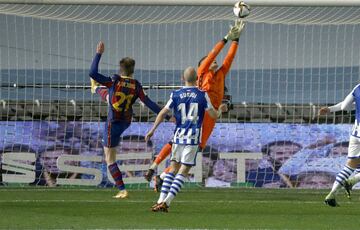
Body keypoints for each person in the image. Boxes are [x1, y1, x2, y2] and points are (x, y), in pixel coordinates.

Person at [144, 19, 245, 184]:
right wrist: (226, 38)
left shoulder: (220, 74)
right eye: (210, 61)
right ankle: (155, 166)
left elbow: (230, 57)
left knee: (198, 147)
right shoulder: (202, 73)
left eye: (214, 61)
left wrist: (236, 40)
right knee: (179, 141)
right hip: (200, 110)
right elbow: (213, 54)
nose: (214, 61)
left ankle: (161, 177)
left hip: (211, 114)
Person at [89, 41, 166, 199]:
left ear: (120, 68)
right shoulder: (136, 85)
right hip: (126, 121)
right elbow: (149, 103)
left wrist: (98, 53)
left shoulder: (115, 80)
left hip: (113, 123)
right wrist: (167, 114)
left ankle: (122, 189)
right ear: (133, 70)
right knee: (109, 95)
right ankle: (96, 88)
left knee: (110, 159)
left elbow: (92, 72)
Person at [145, 66, 223, 212]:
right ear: (197, 80)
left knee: (173, 168)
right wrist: (221, 110)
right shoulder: (202, 95)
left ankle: (160, 200)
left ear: (182, 78)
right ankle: (166, 202)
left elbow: (162, 113)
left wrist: (152, 130)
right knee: (183, 170)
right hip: (192, 138)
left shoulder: (175, 94)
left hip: (178, 137)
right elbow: (213, 115)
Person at [319, 83, 360, 206]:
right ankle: (352, 181)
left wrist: (330, 109)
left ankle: (331, 195)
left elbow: (344, 107)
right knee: (354, 171)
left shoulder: (357, 88)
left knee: (350, 167)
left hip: (355, 134)